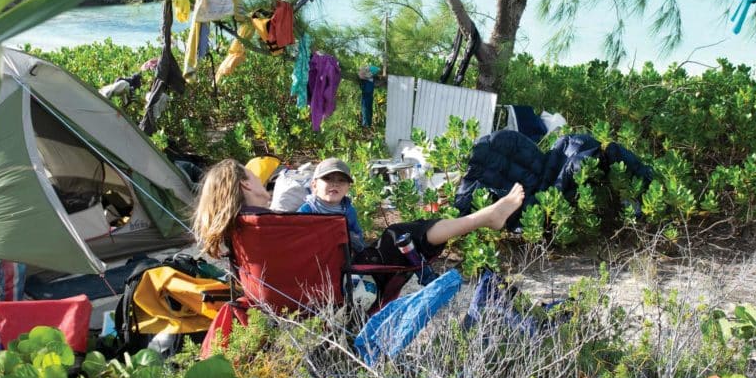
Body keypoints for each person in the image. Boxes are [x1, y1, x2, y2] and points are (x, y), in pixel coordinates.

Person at [193, 159, 525, 271]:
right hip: (341, 277)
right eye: (253, 176)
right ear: (244, 185)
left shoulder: (241, 231)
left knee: (398, 234)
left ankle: (487, 216)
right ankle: (485, 217)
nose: (259, 178)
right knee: (401, 234)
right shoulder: (283, 223)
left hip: (292, 293)